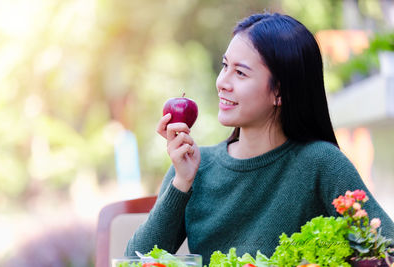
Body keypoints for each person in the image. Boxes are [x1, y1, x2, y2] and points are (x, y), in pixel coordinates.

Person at [125, 12, 394, 264]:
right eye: (225, 66)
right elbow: (135, 262)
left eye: (240, 73)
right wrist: (182, 182)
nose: (222, 82)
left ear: (280, 93)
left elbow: (387, 250)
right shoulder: (193, 168)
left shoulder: (321, 163)